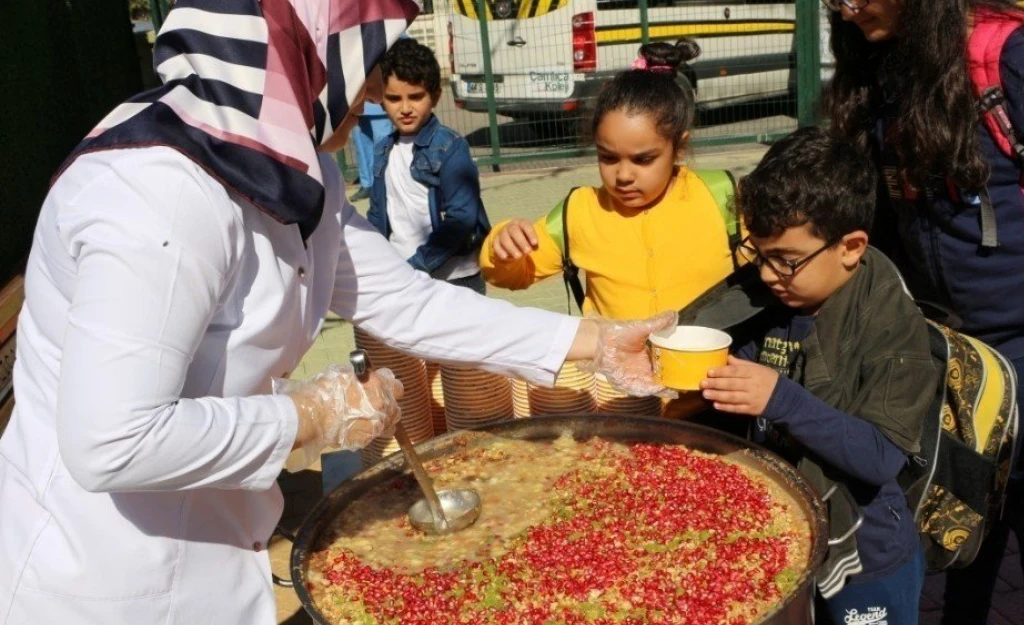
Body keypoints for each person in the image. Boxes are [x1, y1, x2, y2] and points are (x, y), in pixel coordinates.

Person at [0, 2, 673, 623]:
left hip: (218, 556)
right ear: (295, 51)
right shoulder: (155, 192)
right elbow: (111, 441)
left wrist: (595, 338)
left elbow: (407, 301)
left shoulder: (291, 165)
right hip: (100, 583)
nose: (378, 89)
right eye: (367, 60)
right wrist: (312, 416)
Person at [822, 0, 1024, 622]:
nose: (845, 9)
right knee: (959, 515)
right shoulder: (883, 58)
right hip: (944, 339)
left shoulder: (1022, 59)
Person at [695, 127, 934, 625]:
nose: (765, 274)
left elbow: (881, 455)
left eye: (785, 260)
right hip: (781, 534)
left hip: (866, 554)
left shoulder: (893, 323)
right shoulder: (771, 294)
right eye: (756, 253)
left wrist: (780, 399)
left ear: (850, 246)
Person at [480, 39, 736, 320]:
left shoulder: (721, 196)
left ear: (679, 148)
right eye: (608, 158)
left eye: (643, 159)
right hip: (617, 364)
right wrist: (502, 246)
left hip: (714, 363)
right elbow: (514, 275)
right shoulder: (581, 210)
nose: (623, 176)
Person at [367, 38, 490, 294]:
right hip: (403, 273)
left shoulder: (450, 147)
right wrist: (376, 264)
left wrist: (418, 265)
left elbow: (462, 217)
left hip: (454, 277)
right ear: (381, 100)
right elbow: (378, 215)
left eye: (415, 97)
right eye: (393, 98)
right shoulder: (382, 151)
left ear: (434, 97)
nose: (405, 108)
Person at [347, 101, 394, 202]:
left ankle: (387, 184)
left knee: (383, 144)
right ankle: (367, 185)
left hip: (380, 101)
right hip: (357, 103)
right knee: (361, 145)